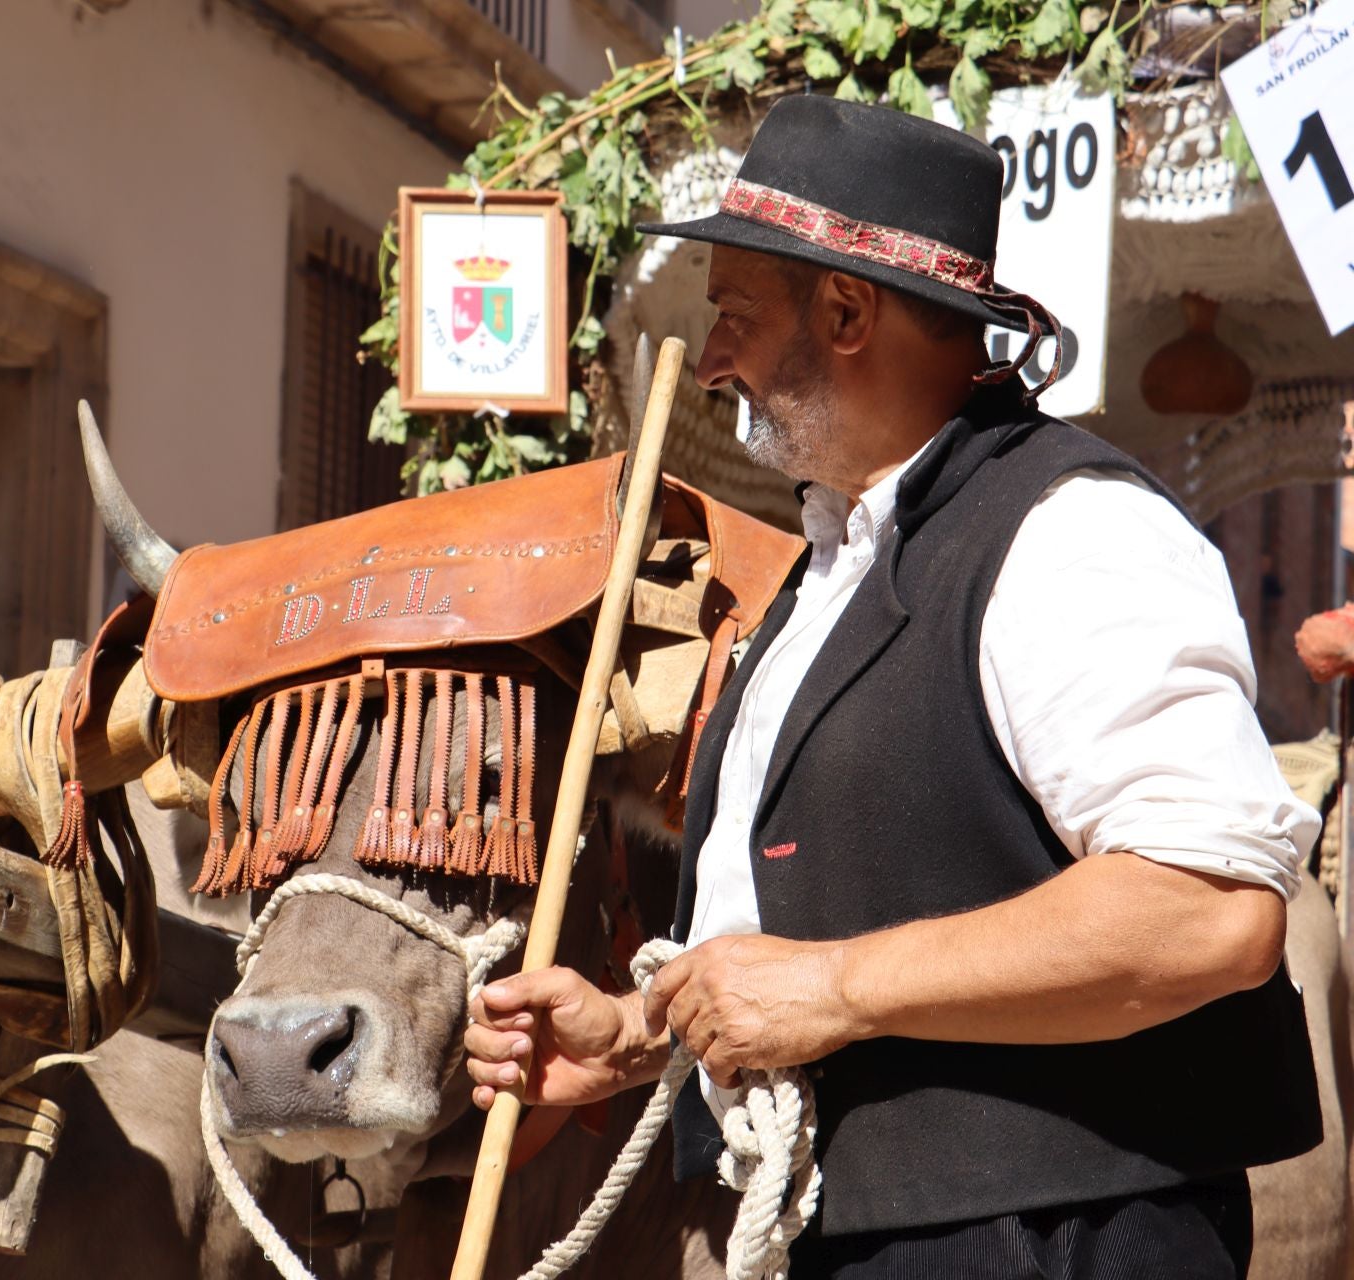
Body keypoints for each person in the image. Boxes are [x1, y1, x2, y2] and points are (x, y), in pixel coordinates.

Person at [463, 95, 1322, 1277]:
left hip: (1047, 1243)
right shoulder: (829, 573)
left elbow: (1209, 910)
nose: (711, 359)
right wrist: (634, 1033)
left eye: (735, 316)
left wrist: (831, 986)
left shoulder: (1073, 534)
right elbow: (806, 929)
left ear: (850, 309)